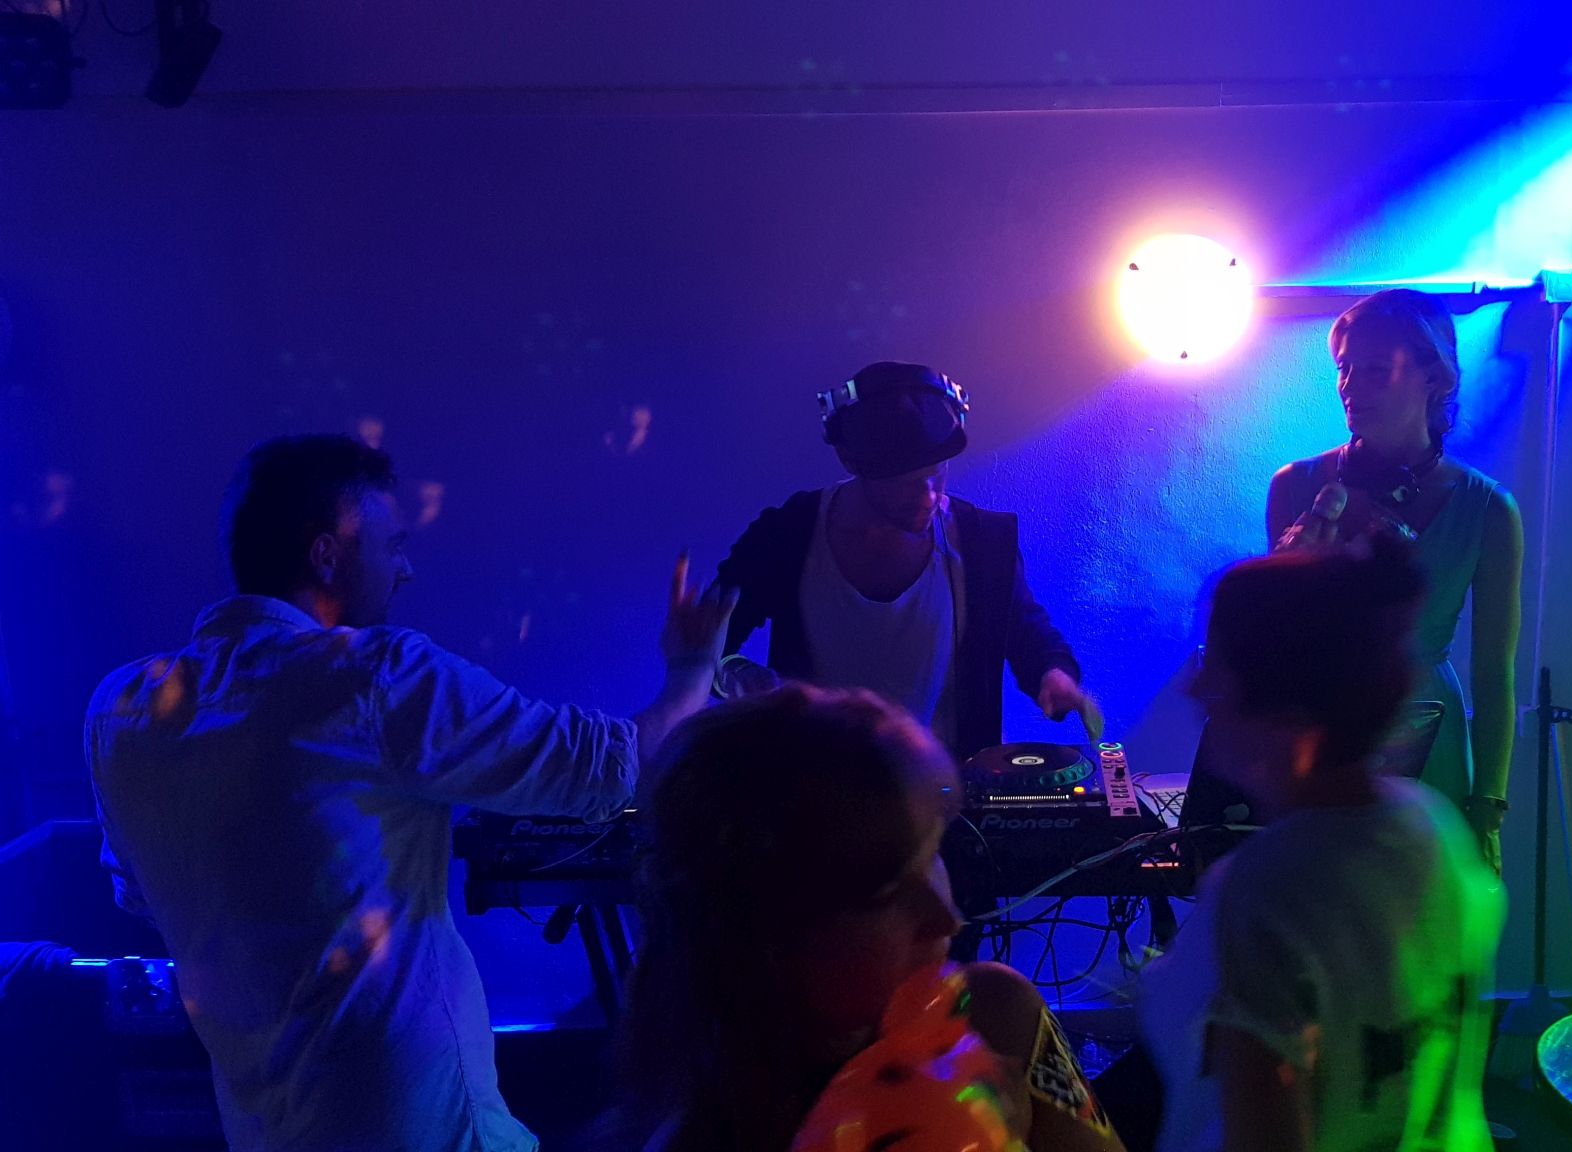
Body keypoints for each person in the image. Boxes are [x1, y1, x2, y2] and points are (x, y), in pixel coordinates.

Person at [85, 434, 734, 1152]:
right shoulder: (375, 676)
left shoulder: (122, 711)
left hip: (263, 1129)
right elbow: (612, 766)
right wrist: (691, 670)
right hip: (413, 1121)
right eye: (393, 546)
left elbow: (137, 897)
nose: (406, 569)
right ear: (327, 555)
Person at [622, 683, 1125, 1152]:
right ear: (760, 935)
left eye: (932, 855)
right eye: (886, 896)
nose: (946, 920)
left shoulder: (1000, 1012)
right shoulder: (694, 1131)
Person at [1138, 546, 1504, 1151]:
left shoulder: (1266, 893)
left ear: (1287, 707)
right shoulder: (1434, 827)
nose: (1196, 688)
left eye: (1217, 664)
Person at [713, 361, 1100, 761]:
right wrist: (744, 680)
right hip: (812, 788)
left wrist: (1053, 672)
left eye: (937, 473)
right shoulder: (787, 534)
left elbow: (1025, 630)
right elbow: (708, 647)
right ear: (850, 460)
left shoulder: (982, 543)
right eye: (905, 484)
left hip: (945, 792)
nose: (928, 496)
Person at [1261, 289, 1523, 872]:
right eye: (1344, 368)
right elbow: (1269, 658)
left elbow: (1493, 674)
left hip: (1431, 745)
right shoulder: (1296, 487)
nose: (1350, 387)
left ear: (1434, 378)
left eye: (1376, 369)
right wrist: (1285, 584)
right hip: (1321, 742)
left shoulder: (1488, 509)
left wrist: (1489, 807)